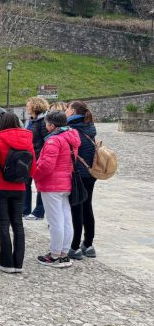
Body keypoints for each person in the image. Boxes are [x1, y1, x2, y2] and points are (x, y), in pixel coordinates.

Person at [34, 110, 81, 268]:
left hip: (52, 184)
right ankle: (64, 253)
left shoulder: (54, 140)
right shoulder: (71, 137)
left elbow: (47, 165)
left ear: (51, 125)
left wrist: (35, 173)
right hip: (66, 182)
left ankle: (54, 255)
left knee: (56, 221)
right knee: (66, 219)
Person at [0, 112, 35, 274]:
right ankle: (18, 262)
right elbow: (33, 166)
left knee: (3, 224)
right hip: (19, 187)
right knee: (18, 225)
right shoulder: (28, 142)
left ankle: (6, 262)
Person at [66, 101, 98, 260]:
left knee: (76, 208)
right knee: (87, 206)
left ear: (72, 111)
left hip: (78, 172)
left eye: (67, 109)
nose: (65, 112)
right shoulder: (89, 126)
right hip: (91, 173)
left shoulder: (72, 128)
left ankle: (74, 246)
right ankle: (89, 244)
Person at [24, 97, 50, 221]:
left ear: (35, 106)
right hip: (30, 156)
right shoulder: (32, 120)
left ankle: (39, 212)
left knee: (40, 184)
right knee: (26, 182)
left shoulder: (43, 122)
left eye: (28, 105)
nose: (26, 107)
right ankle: (25, 210)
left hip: (39, 156)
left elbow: (48, 141)